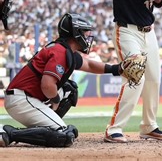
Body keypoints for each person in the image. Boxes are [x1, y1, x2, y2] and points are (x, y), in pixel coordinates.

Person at [86, 0, 162, 143]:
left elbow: (160, 0)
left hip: (148, 33)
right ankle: (114, 128)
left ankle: (149, 126)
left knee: (153, 79)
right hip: (126, 32)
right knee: (135, 76)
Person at [0, 13, 124, 147]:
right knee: (63, 135)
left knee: (69, 89)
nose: (87, 37)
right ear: (75, 33)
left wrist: (117, 69)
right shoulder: (60, 52)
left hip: (26, 97)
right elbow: (47, 85)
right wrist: (55, 101)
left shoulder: (64, 49)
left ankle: (50, 125)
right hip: (22, 99)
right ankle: (9, 133)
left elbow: (89, 65)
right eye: (84, 32)